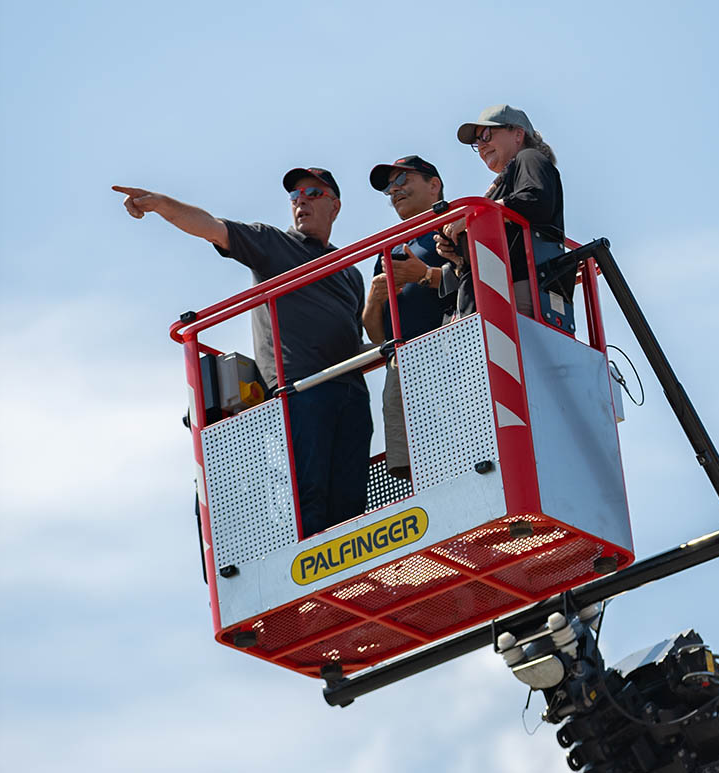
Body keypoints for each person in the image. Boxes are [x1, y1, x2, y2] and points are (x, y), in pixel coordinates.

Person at [112, 168, 370, 537]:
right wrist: (160, 204)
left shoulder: (350, 271)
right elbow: (212, 227)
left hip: (351, 393)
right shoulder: (273, 244)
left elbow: (352, 333)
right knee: (307, 496)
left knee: (350, 499)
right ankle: (312, 582)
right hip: (300, 391)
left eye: (313, 192)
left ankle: (351, 577)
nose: (301, 201)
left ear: (335, 206)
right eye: (295, 196)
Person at [362, 155, 454, 480]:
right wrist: (373, 300)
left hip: (451, 358)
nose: (394, 190)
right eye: (389, 186)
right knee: (416, 470)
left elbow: (480, 280)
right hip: (403, 366)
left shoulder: (455, 225)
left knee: (463, 448)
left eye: (402, 180)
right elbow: (376, 334)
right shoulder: (389, 248)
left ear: (434, 185)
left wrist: (425, 274)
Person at [435, 104, 564, 317]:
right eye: (477, 142)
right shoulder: (503, 186)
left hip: (516, 291)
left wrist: (471, 219)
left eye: (486, 135)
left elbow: (536, 200)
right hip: (494, 294)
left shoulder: (529, 158)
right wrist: (458, 254)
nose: (481, 145)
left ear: (518, 134)